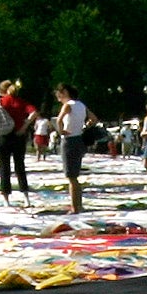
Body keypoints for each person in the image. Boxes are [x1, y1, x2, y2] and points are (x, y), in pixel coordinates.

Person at [0, 78, 34, 201]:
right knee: (20, 166)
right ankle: (25, 196)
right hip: (18, 137)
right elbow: (34, 113)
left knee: (4, 168)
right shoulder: (21, 102)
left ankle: (6, 198)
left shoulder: (0, 102)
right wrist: (24, 126)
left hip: (3, 137)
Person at [53, 81, 94, 214]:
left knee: (71, 177)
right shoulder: (81, 105)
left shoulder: (68, 105)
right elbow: (93, 119)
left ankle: (75, 207)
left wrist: (61, 131)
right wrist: (84, 127)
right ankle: (79, 205)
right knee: (75, 175)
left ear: (64, 93)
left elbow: (58, 120)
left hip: (69, 140)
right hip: (79, 139)